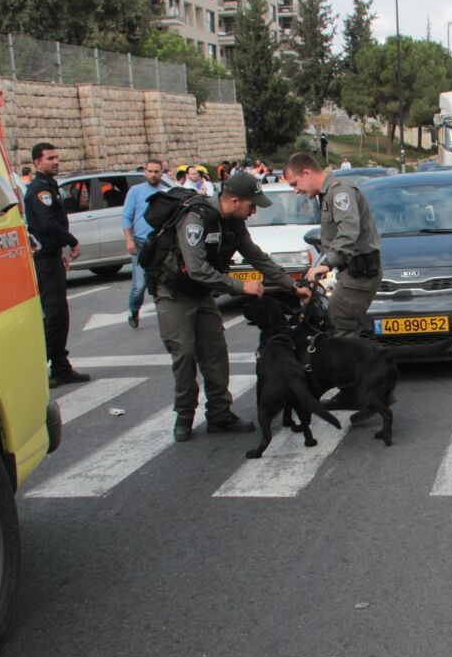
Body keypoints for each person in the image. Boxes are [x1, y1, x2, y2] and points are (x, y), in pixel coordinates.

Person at [148, 172, 305, 441]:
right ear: (233, 200)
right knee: (184, 354)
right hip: (174, 294)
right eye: (251, 206)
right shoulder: (195, 219)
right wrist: (240, 286)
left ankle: (219, 415)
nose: (253, 212)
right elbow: (196, 269)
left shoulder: (234, 223)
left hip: (202, 294)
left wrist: (291, 286)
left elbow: (256, 256)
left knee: (216, 353)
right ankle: (184, 417)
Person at [284, 152, 384, 407]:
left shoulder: (340, 192)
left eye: (295, 184)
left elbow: (348, 233)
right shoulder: (329, 193)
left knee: (340, 329)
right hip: (352, 273)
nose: (296, 191)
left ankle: (362, 392)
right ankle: (366, 389)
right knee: (342, 327)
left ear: (306, 173)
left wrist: (326, 264)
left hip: (359, 273)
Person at [23, 142, 90, 388]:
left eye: (57, 157)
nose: (55, 162)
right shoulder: (40, 189)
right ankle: (48, 368)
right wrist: (70, 241)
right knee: (54, 315)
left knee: (59, 315)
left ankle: (61, 366)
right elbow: (47, 223)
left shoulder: (48, 186)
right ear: (37, 162)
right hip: (45, 261)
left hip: (51, 256)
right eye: (50, 158)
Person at [121, 158, 172, 329]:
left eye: (157, 171)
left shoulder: (166, 192)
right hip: (141, 244)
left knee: (161, 283)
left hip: (159, 244)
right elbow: (126, 217)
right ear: (145, 172)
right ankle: (133, 311)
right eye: (150, 171)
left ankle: (166, 317)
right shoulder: (135, 191)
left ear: (161, 173)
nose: (153, 174)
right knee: (140, 285)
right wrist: (129, 239)